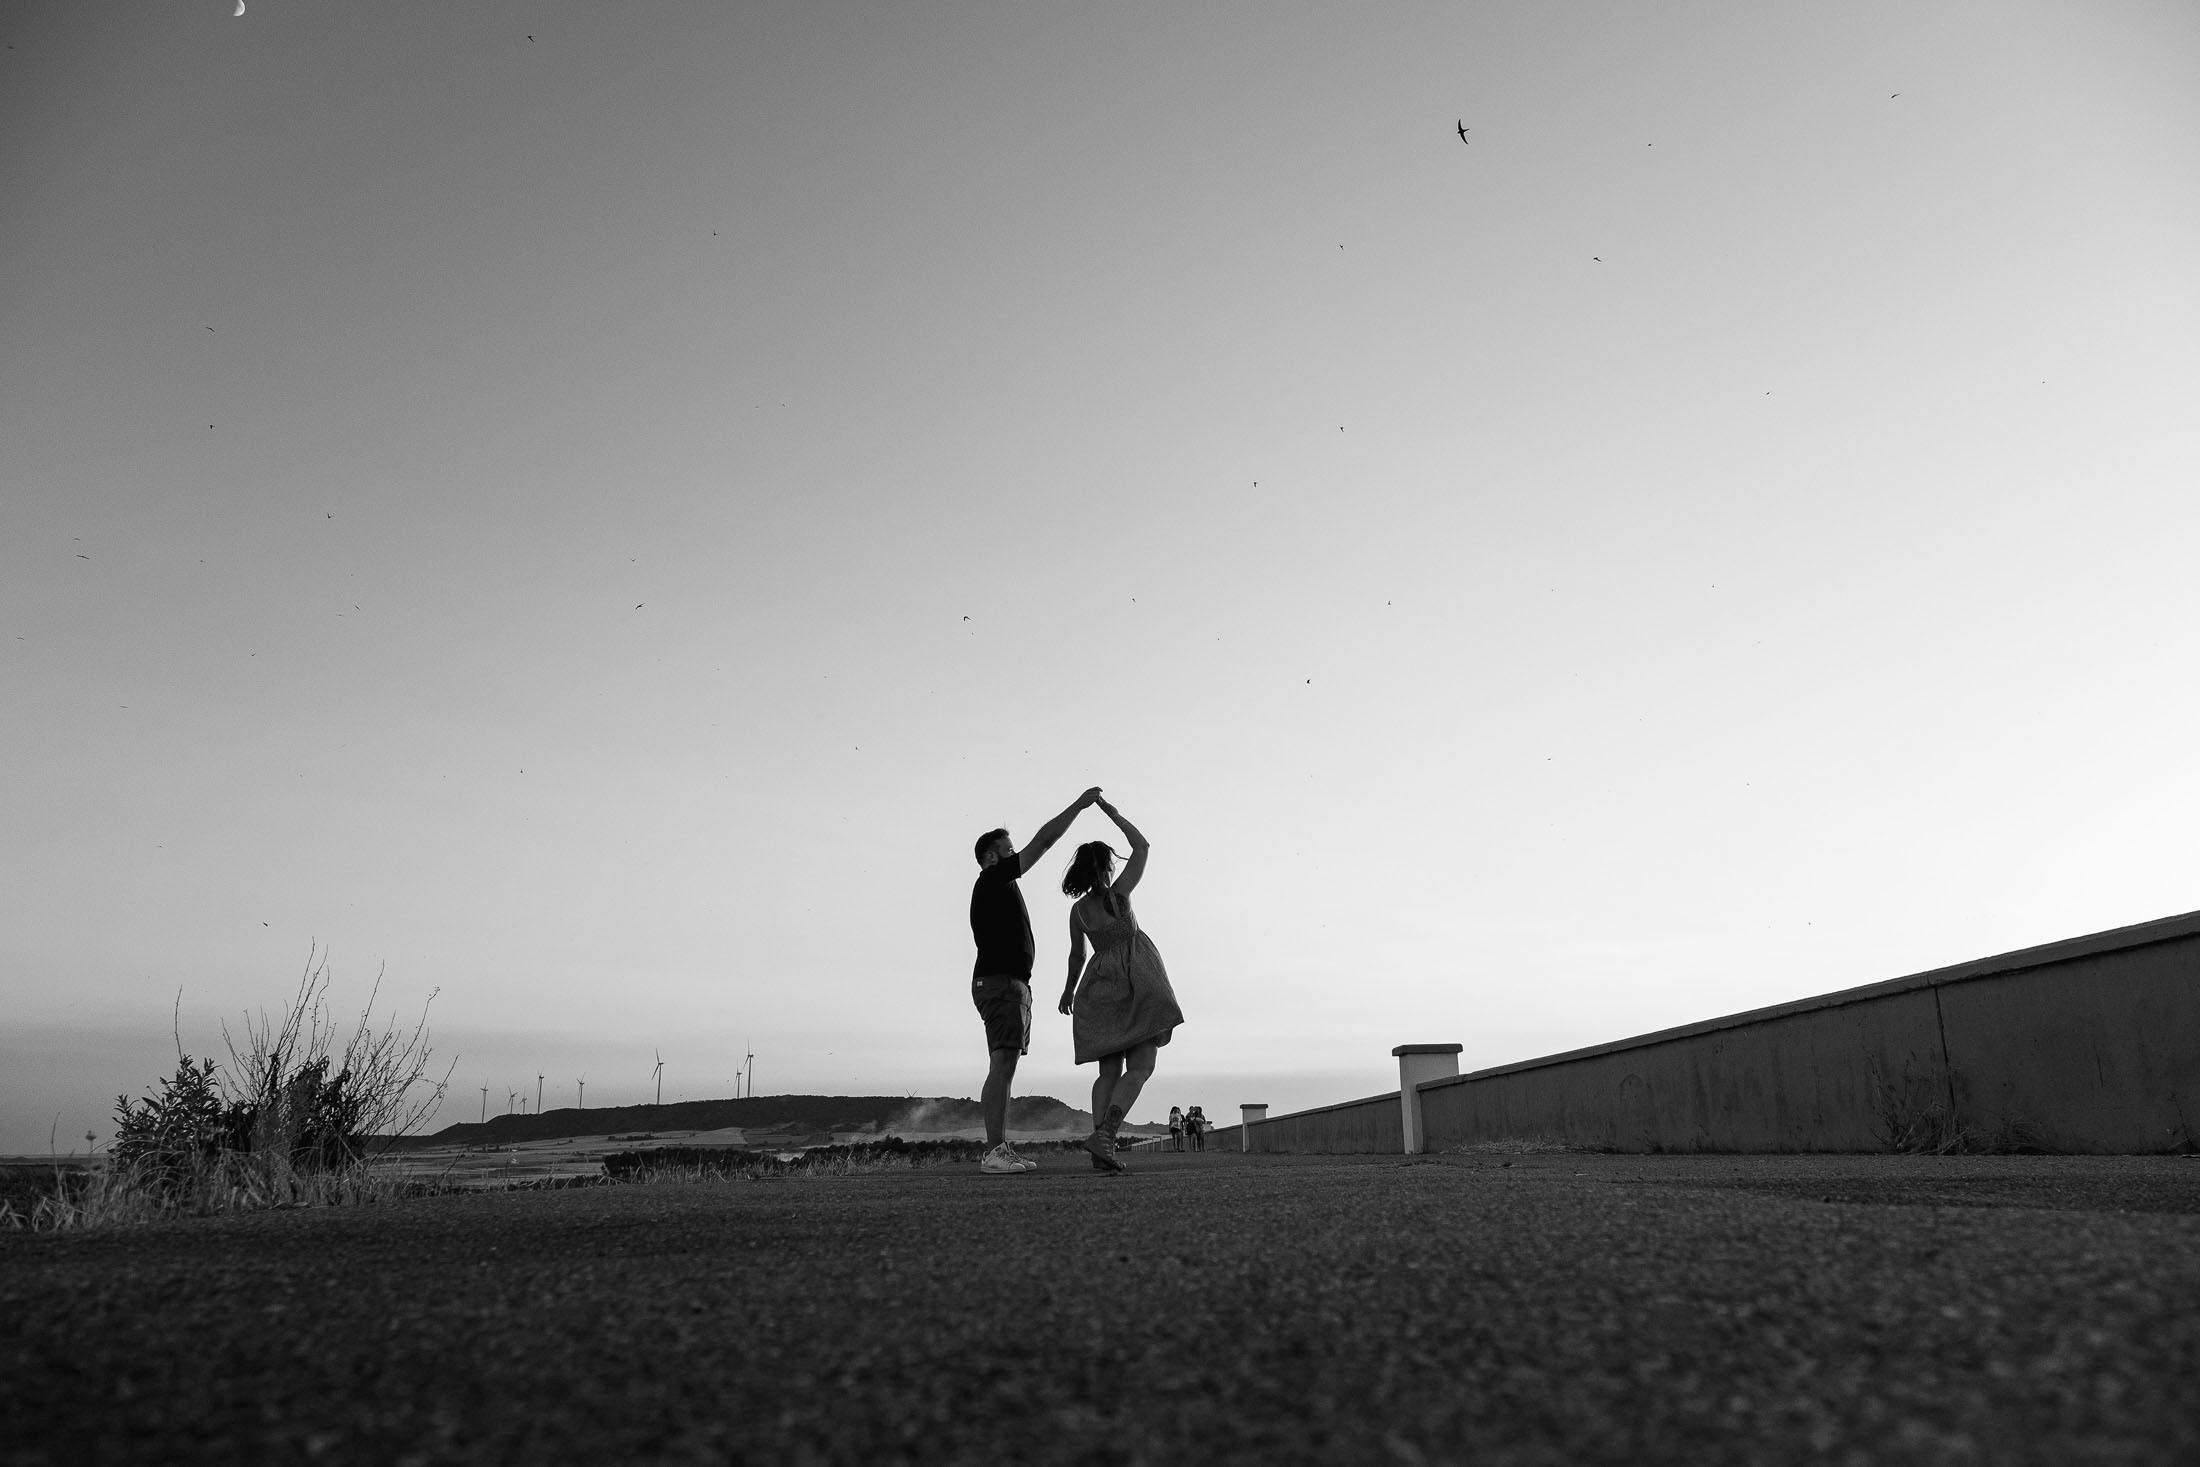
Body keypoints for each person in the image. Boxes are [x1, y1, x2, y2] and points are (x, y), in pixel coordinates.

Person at [970, 787, 1102, 1175]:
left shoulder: (1000, 887)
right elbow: (1044, 841)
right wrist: (1078, 805)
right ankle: (994, 1152)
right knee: (1001, 1066)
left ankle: (1000, 1149)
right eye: (1009, 850)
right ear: (991, 857)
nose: (1015, 854)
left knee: (1005, 1065)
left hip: (1008, 984)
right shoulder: (994, 879)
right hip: (1000, 983)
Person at [1059, 796, 1184, 1174]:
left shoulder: (1078, 911)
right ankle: (1106, 1137)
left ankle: (1101, 1145)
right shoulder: (1119, 896)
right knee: (1142, 1066)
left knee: (1108, 1073)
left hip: (1098, 988)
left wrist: (1068, 990)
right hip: (1136, 981)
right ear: (1107, 867)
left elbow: (1077, 957)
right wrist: (1110, 812)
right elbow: (1142, 846)